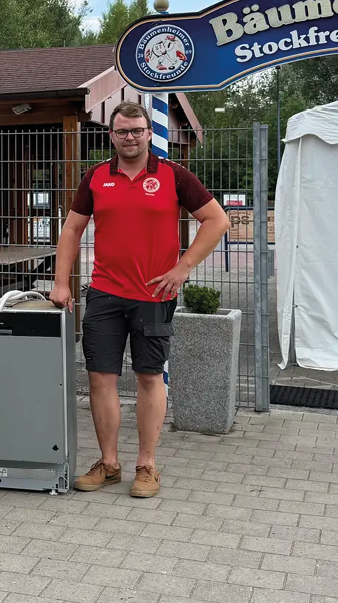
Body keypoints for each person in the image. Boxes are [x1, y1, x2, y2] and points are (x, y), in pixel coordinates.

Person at [50, 101, 228, 498]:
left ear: (149, 134)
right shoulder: (95, 177)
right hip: (104, 295)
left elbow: (217, 220)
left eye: (136, 131)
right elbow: (71, 231)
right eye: (121, 131)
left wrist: (183, 268)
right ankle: (108, 463)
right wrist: (61, 282)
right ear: (110, 135)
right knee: (100, 379)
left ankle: (146, 465)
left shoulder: (173, 175)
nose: (129, 138)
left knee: (150, 377)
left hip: (154, 296)